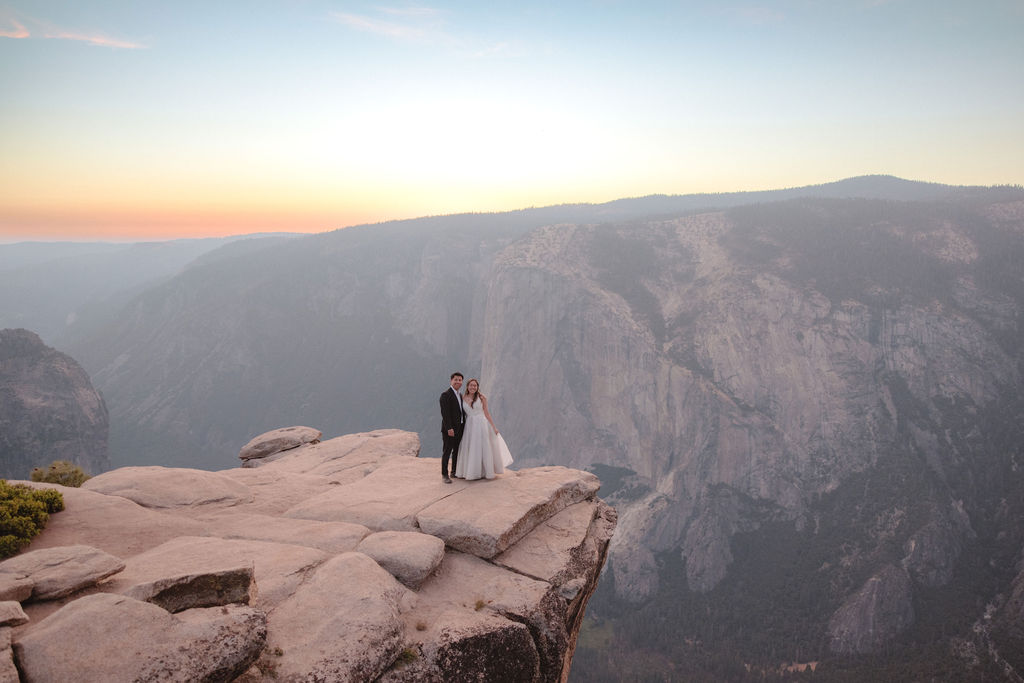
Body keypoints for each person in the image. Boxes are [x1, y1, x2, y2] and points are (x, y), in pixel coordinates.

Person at [455, 378, 513, 481]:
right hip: (469, 426)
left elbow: (486, 413)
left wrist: (494, 427)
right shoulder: (462, 398)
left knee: (483, 447)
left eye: (475, 386)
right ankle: (472, 472)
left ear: (477, 387)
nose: (473, 387)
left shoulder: (482, 398)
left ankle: (484, 471)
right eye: (471, 385)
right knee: (471, 447)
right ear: (467, 387)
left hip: (481, 424)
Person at [439, 372, 464, 484]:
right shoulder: (445, 395)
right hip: (449, 430)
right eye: (456, 379)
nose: (458, 382)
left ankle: (454, 472)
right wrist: (449, 428)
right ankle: (444, 474)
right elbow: (445, 414)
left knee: (456, 451)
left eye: (460, 380)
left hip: (459, 428)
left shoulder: (459, 395)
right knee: (447, 451)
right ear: (451, 381)